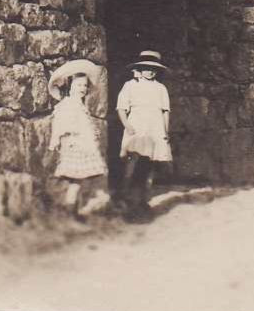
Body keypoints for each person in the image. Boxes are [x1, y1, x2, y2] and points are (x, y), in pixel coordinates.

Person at [115, 50, 172, 218]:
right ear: (139, 68)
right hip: (137, 125)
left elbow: (165, 111)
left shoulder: (161, 88)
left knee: (151, 163)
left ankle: (143, 198)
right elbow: (121, 108)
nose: (150, 71)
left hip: (155, 127)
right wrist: (127, 125)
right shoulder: (130, 85)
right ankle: (125, 196)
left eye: (153, 68)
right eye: (146, 68)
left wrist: (165, 131)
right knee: (132, 160)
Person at [48, 60, 107, 216]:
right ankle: (70, 209)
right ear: (69, 87)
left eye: (85, 86)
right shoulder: (67, 105)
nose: (83, 89)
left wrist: (92, 133)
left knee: (78, 180)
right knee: (75, 179)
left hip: (83, 143)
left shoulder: (80, 106)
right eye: (79, 85)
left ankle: (72, 208)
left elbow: (83, 124)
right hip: (75, 144)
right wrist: (60, 141)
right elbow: (62, 125)